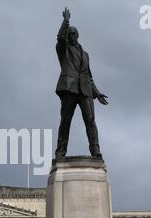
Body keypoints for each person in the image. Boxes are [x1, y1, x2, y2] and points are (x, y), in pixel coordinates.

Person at [54, 7, 108, 159]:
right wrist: (66, 21)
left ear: (77, 35)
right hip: (69, 87)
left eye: (73, 33)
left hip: (85, 90)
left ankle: (95, 150)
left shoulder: (85, 55)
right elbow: (60, 38)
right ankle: (60, 151)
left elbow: (88, 76)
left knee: (90, 120)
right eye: (69, 33)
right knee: (65, 121)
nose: (71, 35)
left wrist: (97, 93)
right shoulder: (63, 50)